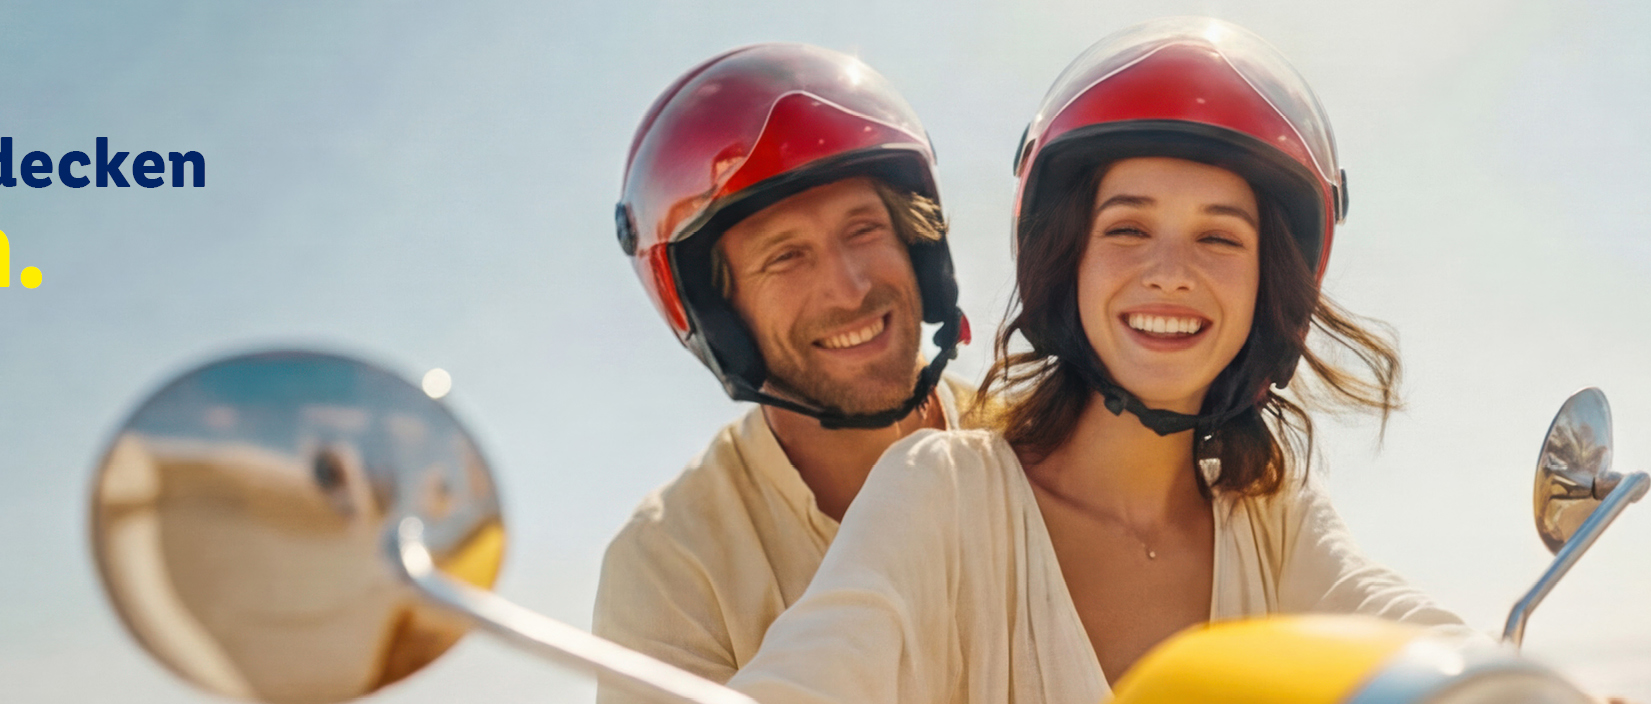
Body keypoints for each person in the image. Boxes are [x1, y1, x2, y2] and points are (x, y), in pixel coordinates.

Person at [727, 18, 1459, 704]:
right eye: (1129, 228)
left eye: (1220, 239)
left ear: (1270, 284)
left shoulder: (1275, 521)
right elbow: (811, 670)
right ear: (1066, 258)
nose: (1170, 272)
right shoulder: (941, 493)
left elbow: (1419, 646)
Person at [592, 43, 974, 702]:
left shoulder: (1046, 443)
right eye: (787, 256)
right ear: (721, 315)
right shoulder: (672, 564)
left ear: (919, 247)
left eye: (863, 230)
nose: (848, 289)